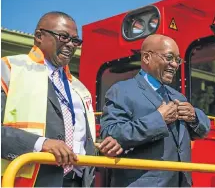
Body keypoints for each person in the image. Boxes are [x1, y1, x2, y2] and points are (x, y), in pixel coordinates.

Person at [1, 11, 123, 187]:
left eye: (75, 41)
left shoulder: (79, 88)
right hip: (30, 181)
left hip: (78, 181)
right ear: (39, 36)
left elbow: (81, 137)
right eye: (63, 37)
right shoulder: (10, 68)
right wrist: (41, 144)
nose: (70, 45)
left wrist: (102, 146)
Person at [100, 34, 211, 187]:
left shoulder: (177, 96)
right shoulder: (122, 91)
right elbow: (110, 133)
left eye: (177, 60)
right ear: (146, 57)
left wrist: (195, 117)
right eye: (169, 57)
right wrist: (158, 119)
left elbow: (203, 130)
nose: (174, 65)